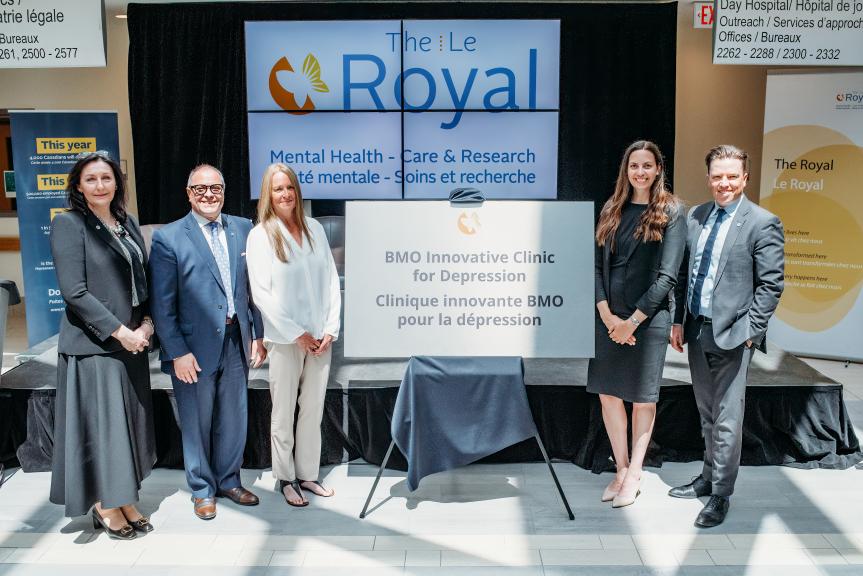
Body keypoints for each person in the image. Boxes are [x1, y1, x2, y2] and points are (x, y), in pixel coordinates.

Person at [668, 145, 784, 528]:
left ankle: (721, 494)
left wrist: (751, 333)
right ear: (709, 177)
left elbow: (771, 285)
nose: (724, 183)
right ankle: (707, 477)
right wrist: (678, 321)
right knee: (707, 413)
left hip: (735, 336)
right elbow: (686, 272)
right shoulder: (696, 216)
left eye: (732, 176)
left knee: (729, 419)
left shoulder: (762, 222)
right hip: (698, 330)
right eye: (718, 176)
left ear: (745, 178)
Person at [149, 164, 266, 520]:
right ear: (188, 194)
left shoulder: (244, 229)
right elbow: (162, 304)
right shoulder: (169, 237)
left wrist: (257, 334)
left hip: (235, 339)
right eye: (200, 189)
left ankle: (230, 480)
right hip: (191, 349)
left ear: (224, 191)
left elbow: (252, 290)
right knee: (196, 421)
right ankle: (202, 489)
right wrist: (177, 351)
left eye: (216, 188)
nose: (209, 195)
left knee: (234, 417)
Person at [49, 151, 155, 540]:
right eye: (91, 179)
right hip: (95, 345)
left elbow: (141, 281)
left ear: (117, 183)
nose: (99, 186)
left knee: (125, 427)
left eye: (106, 178)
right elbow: (74, 292)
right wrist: (119, 332)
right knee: (104, 427)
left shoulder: (126, 222)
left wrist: (145, 323)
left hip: (132, 342)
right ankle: (106, 504)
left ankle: (125, 497)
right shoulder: (69, 224)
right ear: (78, 185)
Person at [586, 140, 685, 508]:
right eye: (633, 166)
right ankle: (622, 469)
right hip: (609, 321)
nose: (640, 172)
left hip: (648, 322)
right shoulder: (612, 208)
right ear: (625, 170)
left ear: (659, 168)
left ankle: (637, 472)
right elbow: (595, 267)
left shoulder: (672, 212)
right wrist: (608, 316)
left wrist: (632, 322)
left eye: (647, 165)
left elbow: (667, 278)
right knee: (608, 395)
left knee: (643, 400)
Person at [246, 163, 340, 507]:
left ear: (297, 192)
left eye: (289, 188)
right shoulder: (260, 235)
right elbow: (262, 294)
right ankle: (285, 478)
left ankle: (308, 476)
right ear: (268, 195)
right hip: (286, 340)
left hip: (320, 340)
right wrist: (297, 333)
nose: (285, 194)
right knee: (283, 412)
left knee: (312, 409)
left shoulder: (314, 228)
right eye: (277, 189)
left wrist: (329, 329)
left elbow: (331, 281)